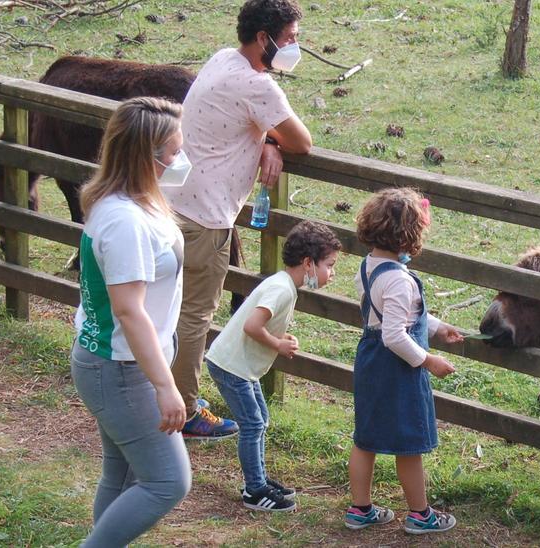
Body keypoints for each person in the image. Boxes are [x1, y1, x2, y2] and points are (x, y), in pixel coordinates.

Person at [164, 0, 313, 440]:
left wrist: (266, 137)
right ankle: (186, 409)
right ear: (264, 39)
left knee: (167, 306)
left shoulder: (221, 60)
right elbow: (302, 142)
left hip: (171, 203)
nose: (293, 48)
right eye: (288, 39)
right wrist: (274, 138)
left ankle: (163, 390)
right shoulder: (258, 87)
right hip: (206, 219)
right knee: (194, 315)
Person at [70, 97, 193, 547]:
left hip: (119, 364)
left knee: (122, 475)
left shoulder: (137, 202)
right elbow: (128, 310)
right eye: (173, 152)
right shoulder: (123, 220)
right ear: (147, 157)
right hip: (121, 370)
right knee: (167, 481)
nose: (181, 160)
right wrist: (164, 385)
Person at [344, 188, 465, 535]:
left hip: (370, 362)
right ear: (409, 236)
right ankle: (420, 514)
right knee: (409, 443)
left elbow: (384, 319)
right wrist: (429, 360)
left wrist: (439, 327)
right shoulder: (399, 280)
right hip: (397, 368)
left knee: (365, 438)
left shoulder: (370, 266)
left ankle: (360, 508)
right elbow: (395, 335)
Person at [205, 221, 340, 512]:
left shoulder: (284, 285)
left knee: (260, 420)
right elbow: (253, 326)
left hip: (239, 366)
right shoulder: (281, 289)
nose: (332, 273)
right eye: (329, 265)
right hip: (231, 366)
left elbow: (259, 325)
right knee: (253, 424)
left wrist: (279, 337)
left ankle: (260, 478)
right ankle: (254, 490)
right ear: (308, 263)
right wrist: (277, 344)